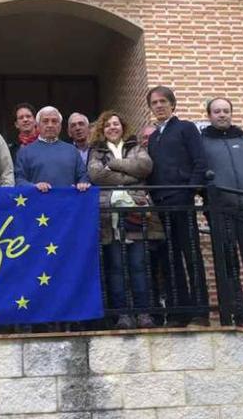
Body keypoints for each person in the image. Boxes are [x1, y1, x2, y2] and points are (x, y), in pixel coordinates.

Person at [201, 97, 243, 331]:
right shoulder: (202, 141)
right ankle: (239, 314)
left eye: (226, 111)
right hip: (222, 211)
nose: (222, 115)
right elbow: (198, 173)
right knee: (228, 264)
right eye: (217, 111)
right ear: (209, 115)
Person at [145, 86, 209, 326]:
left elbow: (200, 161)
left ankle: (200, 311)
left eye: (163, 101)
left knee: (191, 254)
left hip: (182, 200)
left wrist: (190, 189)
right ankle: (178, 312)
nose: (159, 106)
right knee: (169, 258)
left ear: (172, 104)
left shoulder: (186, 128)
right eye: (155, 102)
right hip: (161, 204)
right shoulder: (152, 137)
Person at [87, 111, 157, 329]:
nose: (112, 128)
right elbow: (96, 176)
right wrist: (130, 174)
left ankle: (144, 313)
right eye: (107, 125)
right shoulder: (97, 152)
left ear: (122, 126)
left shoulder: (137, 147)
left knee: (138, 265)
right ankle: (123, 315)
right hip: (109, 215)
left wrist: (114, 164)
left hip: (136, 211)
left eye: (116, 124)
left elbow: (145, 167)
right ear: (102, 129)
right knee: (115, 267)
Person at [15, 106, 90, 191]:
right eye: (45, 121)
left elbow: (83, 176)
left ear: (60, 126)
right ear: (37, 125)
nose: (50, 125)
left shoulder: (72, 150)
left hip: (67, 202)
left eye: (54, 121)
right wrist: (34, 186)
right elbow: (19, 180)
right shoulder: (25, 152)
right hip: (38, 202)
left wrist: (82, 184)